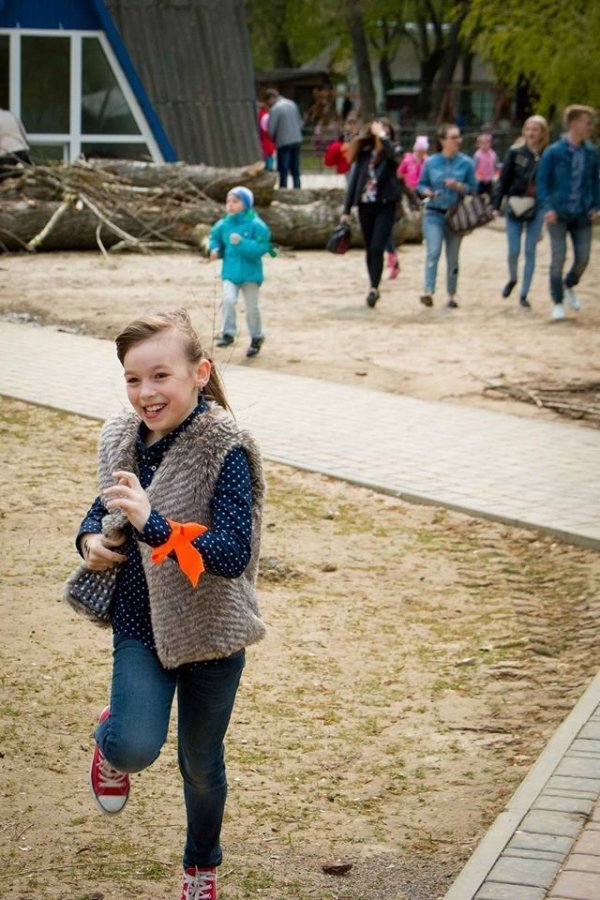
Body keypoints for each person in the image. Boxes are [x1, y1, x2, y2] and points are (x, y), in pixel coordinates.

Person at [74, 308, 265, 900]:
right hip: (140, 622)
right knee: (134, 745)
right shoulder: (120, 437)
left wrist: (153, 524)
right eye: (133, 379)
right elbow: (100, 512)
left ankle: (200, 868)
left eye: (160, 376)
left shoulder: (225, 447)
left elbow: (233, 553)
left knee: (201, 767)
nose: (146, 393)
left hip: (212, 631)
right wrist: (90, 542)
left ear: (200, 372)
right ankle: (111, 744)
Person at [536, 104, 599, 321]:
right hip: (558, 213)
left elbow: (595, 181)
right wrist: (547, 207)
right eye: (587, 122)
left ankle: (569, 284)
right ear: (573, 124)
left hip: (582, 213)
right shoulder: (554, 152)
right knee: (558, 258)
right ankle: (558, 301)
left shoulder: (591, 152)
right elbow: (542, 182)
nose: (591, 127)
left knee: (583, 258)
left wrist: (595, 206)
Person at [340, 118, 403, 307]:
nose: (379, 131)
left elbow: (394, 156)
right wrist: (346, 209)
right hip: (365, 205)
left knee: (377, 246)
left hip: (385, 205)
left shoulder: (393, 151)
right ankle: (373, 286)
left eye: (384, 129)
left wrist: (383, 137)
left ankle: (374, 287)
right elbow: (354, 181)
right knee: (370, 247)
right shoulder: (365, 154)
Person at [417, 123, 477, 308]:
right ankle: (428, 291)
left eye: (458, 137)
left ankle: (451, 294)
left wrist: (459, 186)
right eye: (453, 137)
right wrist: (427, 191)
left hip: (455, 215)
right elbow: (420, 185)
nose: (457, 141)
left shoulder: (466, 163)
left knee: (453, 256)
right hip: (433, 213)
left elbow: (474, 189)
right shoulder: (431, 162)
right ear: (442, 140)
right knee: (433, 252)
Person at [493, 115, 549, 309]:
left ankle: (524, 293)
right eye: (529, 129)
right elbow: (503, 180)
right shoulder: (515, 153)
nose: (532, 133)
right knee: (513, 250)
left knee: (530, 250)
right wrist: (495, 205)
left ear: (543, 133)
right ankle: (513, 278)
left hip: (538, 207)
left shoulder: (547, 155)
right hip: (515, 204)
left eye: (536, 129)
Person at [209, 186, 271, 358]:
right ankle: (228, 333)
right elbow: (214, 237)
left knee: (252, 308)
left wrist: (242, 243)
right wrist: (214, 249)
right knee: (228, 299)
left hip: (251, 274)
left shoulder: (257, 225)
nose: (230, 205)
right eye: (228, 201)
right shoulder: (224, 224)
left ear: (246, 204)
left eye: (235, 201)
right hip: (230, 273)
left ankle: (256, 337)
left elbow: (262, 247)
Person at [264, 88, 303, 189]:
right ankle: (297, 187)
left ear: (271, 98)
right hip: (296, 139)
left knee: (283, 168)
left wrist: (273, 139)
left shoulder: (275, 109)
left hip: (283, 141)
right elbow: (299, 121)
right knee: (295, 166)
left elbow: (271, 128)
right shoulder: (292, 104)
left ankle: (283, 187)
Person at [0, 106, 31, 178]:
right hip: (22, 153)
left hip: (6, 155)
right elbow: (23, 134)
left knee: (5, 184)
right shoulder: (10, 115)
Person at [473, 132, 498, 197]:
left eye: (487, 142)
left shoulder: (493, 154)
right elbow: (475, 167)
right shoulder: (477, 155)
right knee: (479, 196)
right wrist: (477, 176)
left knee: (491, 195)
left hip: (490, 179)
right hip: (480, 180)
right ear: (479, 144)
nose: (485, 145)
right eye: (482, 143)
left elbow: (495, 165)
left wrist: (494, 174)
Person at [257, 102, 276, 171]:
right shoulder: (266, 115)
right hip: (268, 139)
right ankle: (269, 167)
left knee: (267, 154)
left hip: (264, 140)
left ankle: (268, 167)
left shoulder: (261, 116)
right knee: (269, 154)